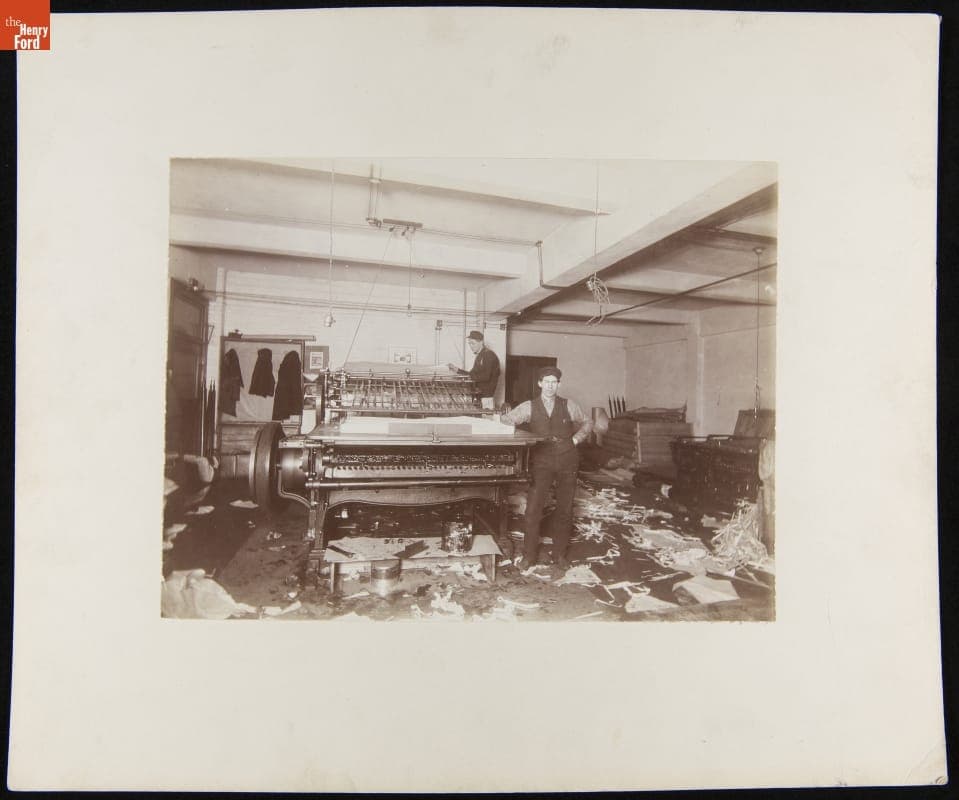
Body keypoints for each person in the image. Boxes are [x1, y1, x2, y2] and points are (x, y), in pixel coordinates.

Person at [499, 366, 593, 571]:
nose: (550, 386)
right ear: (540, 383)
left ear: (558, 384)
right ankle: (529, 555)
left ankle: (559, 555)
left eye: (554, 382)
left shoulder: (569, 405)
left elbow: (587, 422)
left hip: (568, 459)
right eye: (546, 382)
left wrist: (577, 439)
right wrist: (524, 439)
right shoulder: (529, 406)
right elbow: (506, 421)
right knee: (533, 510)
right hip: (541, 461)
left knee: (565, 509)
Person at [448, 330, 501, 409]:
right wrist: (457, 370)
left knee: (486, 419)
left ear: (481, 342)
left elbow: (486, 376)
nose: (471, 346)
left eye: (473, 343)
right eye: (469, 343)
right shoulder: (480, 356)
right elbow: (472, 374)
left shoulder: (489, 355)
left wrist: (469, 377)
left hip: (486, 397)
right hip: (479, 395)